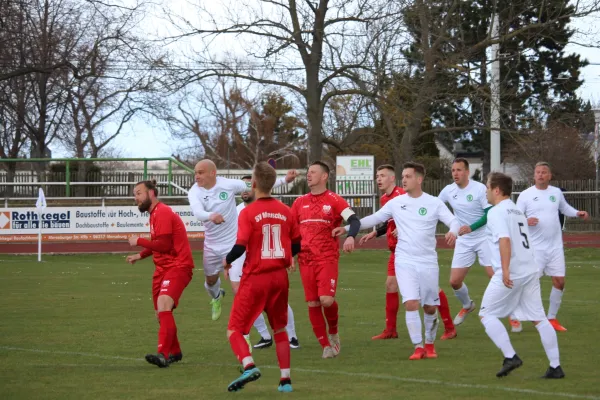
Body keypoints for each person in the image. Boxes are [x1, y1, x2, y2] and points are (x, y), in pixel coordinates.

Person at [335, 162, 459, 360]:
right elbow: (373, 219)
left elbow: (453, 221)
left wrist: (453, 231)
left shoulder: (434, 203)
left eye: (408, 176)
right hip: (404, 260)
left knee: (429, 307)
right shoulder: (396, 203)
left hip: (427, 261)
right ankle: (418, 347)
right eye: (403, 176)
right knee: (410, 303)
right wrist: (350, 229)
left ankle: (429, 343)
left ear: (419, 179)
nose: (404, 179)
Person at [223, 162, 301, 392]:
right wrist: (287, 257)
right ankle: (285, 381)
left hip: (256, 277)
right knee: (279, 329)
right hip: (279, 277)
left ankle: (248, 365)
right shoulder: (286, 210)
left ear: (254, 183)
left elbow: (240, 246)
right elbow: (297, 244)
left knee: (234, 329)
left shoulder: (248, 212)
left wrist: (226, 261)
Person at [187, 159, 297, 321]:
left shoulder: (228, 184)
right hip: (211, 245)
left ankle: (246, 333)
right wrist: (211, 216)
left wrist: (285, 180)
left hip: (233, 244)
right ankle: (217, 296)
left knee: (239, 289)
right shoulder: (194, 191)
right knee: (210, 281)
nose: (196, 176)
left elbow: (257, 185)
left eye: (200, 172)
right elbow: (197, 212)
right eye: (195, 172)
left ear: (213, 173)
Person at [479, 172, 564, 379]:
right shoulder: (517, 210)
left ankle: (510, 356)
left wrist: (505, 270)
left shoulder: (496, 212)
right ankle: (555, 367)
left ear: (497, 190)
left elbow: (505, 240)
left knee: (486, 314)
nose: (486, 191)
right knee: (539, 319)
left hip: (512, 272)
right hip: (529, 269)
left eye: (488, 187)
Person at [290, 161, 360, 358]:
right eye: (308, 172)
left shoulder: (335, 200)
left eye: (313, 172)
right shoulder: (299, 202)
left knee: (326, 300)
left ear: (324, 177)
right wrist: (290, 255)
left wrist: (351, 236)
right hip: (305, 260)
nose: (308, 175)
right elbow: (291, 233)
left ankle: (334, 332)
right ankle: (325, 346)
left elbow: (354, 220)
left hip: (326, 258)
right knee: (313, 304)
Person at [126, 180, 194, 368]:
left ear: (151, 193)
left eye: (139, 193)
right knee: (160, 313)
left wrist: (138, 240)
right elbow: (159, 242)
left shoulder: (162, 212)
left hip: (178, 266)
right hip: (163, 268)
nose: (136, 198)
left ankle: (162, 355)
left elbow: (164, 245)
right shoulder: (154, 214)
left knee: (164, 305)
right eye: (135, 194)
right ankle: (175, 352)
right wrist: (140, 255)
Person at [228, 175, 300, 350]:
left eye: (248, 186)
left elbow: (286, 236)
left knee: (274, 299)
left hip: (263, 257)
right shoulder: (236, 210)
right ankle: (264, 336)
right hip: (240, 255)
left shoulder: (268, 209)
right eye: (242, 187)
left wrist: (290, 256)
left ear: (255, 187)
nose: (245, 191)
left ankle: (291, 336)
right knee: (243, 297)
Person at [516, 162, 589, 331]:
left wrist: (577, 213)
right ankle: (516, 312)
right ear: (534, 175)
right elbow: (516, 217)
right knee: (530, 282)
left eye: (544, 172)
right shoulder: (526, 195)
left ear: (549, 176)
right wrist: (525, 221)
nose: (541, 175)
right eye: (538, 172)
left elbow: (564, 208)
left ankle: (552, 318)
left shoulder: (555, 193)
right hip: (536, 248)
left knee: (559, 282)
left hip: (555, 247)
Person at [438, 158, 493, 326]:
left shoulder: (479, 189)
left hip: (484, 237)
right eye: (453, 170)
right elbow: (434, 207)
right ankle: (467, 305)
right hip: (464, 241)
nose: (455, 173)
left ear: (467, 172)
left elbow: (489, 213)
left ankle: (512, 313)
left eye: (459, 170)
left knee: (495, 277)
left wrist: (472, 227)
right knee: (454, 281)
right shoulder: (448, 190)